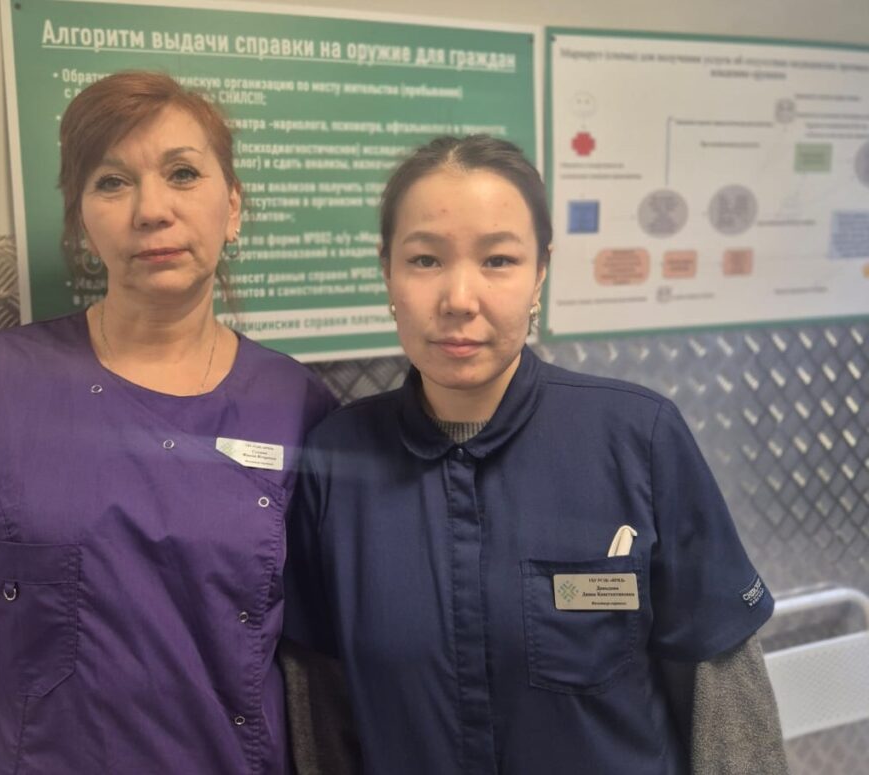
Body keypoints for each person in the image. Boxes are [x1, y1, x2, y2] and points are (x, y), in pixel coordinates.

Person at [0, 71, 336, 774]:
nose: (152, 210)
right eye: (112, 182)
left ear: (232, 206)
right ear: (80, 220)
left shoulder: (296, 406)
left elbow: (331, 661)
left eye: (183, 173)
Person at [283, 135, 788, 774]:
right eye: (425, 260)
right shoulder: (336, 462)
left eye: (498, 260)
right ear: (388, 270)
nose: (459, 299)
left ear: (540, 271)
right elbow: (320, 709)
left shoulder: (638, 438)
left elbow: (723, 694)